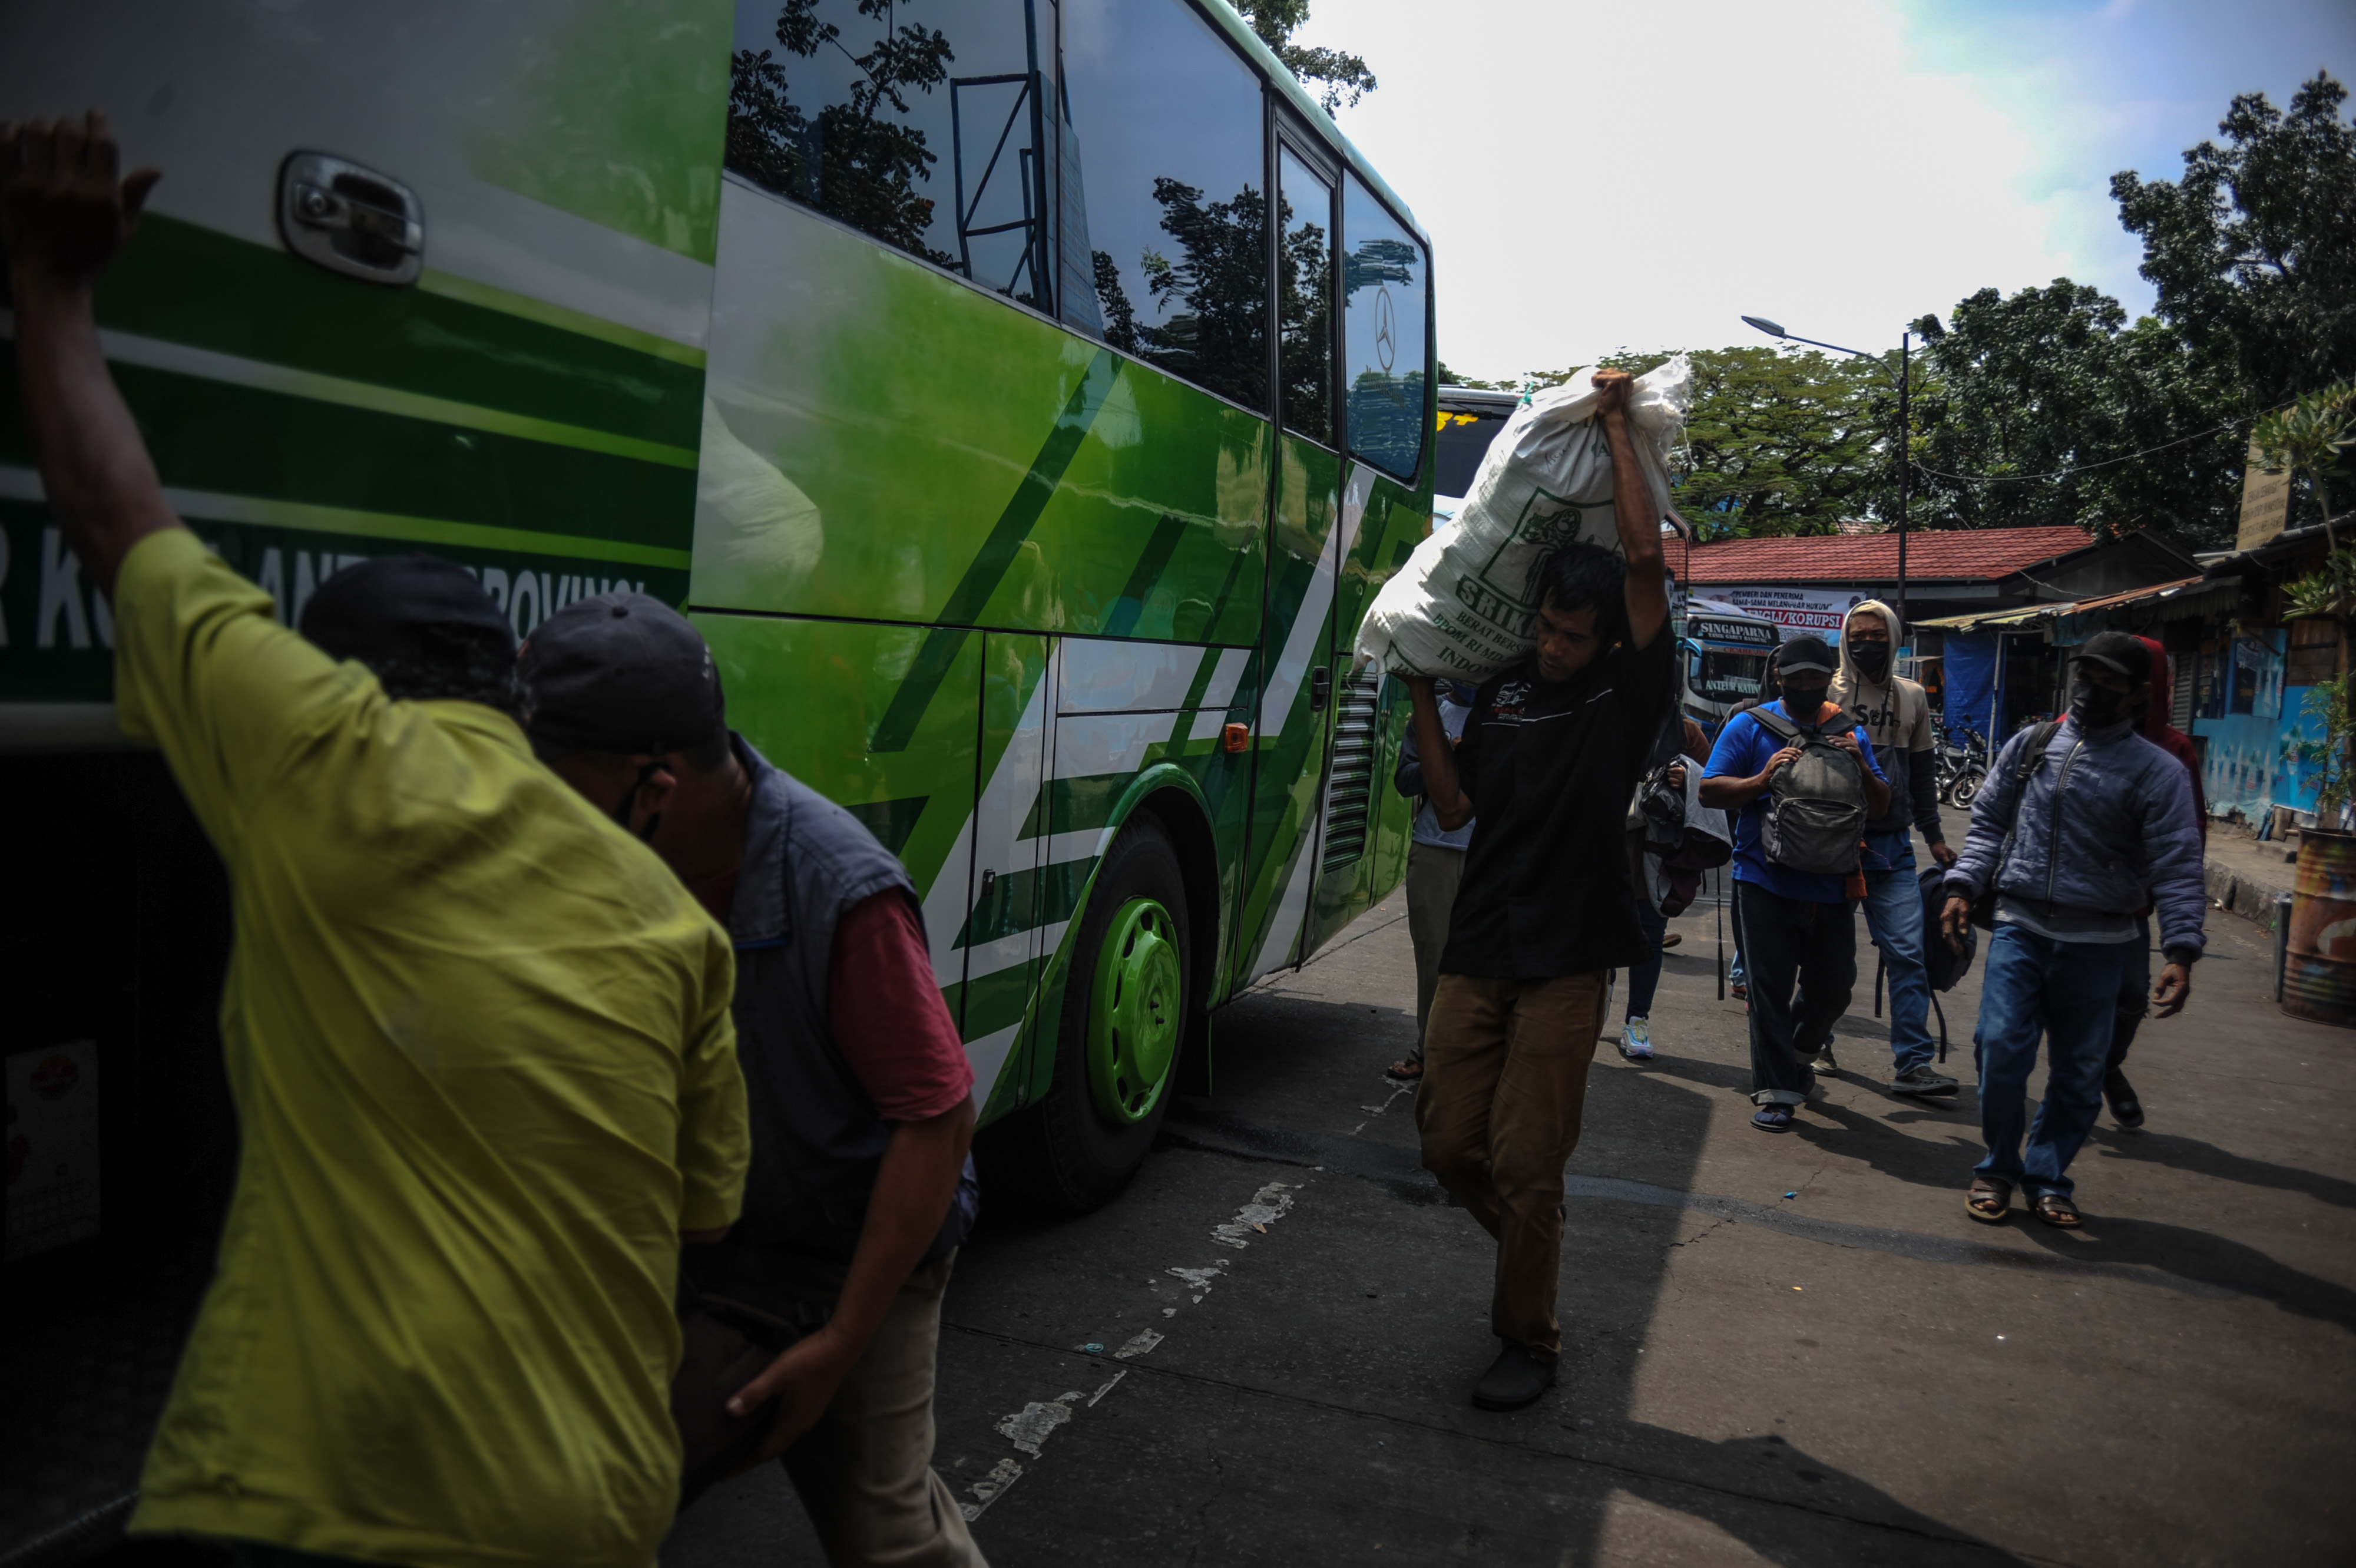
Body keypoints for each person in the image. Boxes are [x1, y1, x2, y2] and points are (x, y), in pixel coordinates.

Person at [1, 114, 752, 1567]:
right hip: (597, 1511)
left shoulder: (322, 760)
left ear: (349, 683)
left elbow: (115, 517)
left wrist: (48, 277)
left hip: (308, 1507)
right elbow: (707, 1207)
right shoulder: (676, 928)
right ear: (512, 700)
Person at [521, 596, 987, 1568]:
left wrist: (839, 1347)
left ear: (652, 786)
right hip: (729, 1246)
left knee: (886, 1532)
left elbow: (937, 1122)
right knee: (581, 1478)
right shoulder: (624, 864)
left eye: (559, 793)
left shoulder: (838, 888)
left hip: (856, 1251)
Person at [1402, 366, 1675, 1413]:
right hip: (1481, 942)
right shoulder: (1508, 688)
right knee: (1445, 1142)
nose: (1556, 648)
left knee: (1526, 1159)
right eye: (1549, 630)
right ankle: (1534, 1239)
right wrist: (1422, 686)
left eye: (1573, 636)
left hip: (1567, 955)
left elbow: (1644, 556)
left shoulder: (1626, 686)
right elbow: (1454, 803)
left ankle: (1530, 1332)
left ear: (1605, 638)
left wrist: (1613, 421)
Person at [1941, 631, 2206, 1227]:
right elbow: (1986, 823)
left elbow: (2178, 863)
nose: (2092, 689)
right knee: (1999, 1047)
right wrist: (1961, 886)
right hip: (2021, 927)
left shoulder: (2158, 772)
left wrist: (2182, 948)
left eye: (2109, 680)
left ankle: (2046, 1174)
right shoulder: (2031, 745)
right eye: (2086, 675)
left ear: (2139, 693)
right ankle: (1997, 1166)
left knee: (2080, 1071)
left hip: (2102, 943)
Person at [1700, 635, 1891, 1132]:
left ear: (1829, 677)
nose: (1807, 685)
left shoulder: (1850, 732)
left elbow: (1884, 806)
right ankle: (1777, 1091)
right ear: (1778, 677)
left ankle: (1802, 1051)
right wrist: (1762, 780)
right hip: (1763, 880)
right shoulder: (1749, 725)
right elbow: (1710, 790)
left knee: (1834, 989)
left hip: (1832, 884)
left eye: (1816, 676)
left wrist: (1859, 765)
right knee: (1768, 990)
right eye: (1797, 676)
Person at [1829, 601, 1961, 1098]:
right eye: (1858, 634)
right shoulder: (1828, 691)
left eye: (1878, 634)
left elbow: (1923, 774)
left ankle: (1914, 1063)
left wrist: (1935, 837)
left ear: (1895, 637)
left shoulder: (1910, 696)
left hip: (1892, 847)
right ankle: (1815, 1040)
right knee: (1828, 958)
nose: (1867, 642)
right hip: (1831, 847)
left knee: (1908, 954)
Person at [2105, 633, 2206, 1129]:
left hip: (2130, 909)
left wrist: (2180, 948)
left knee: (2129, 998)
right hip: (2053, 905)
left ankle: (2107, 1069)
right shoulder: (2063, 735)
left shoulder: (2173, 752)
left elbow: (2186, 849)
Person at [1388, 680, 1479, 1082]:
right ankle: (1429, 1051)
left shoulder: (1504, 713)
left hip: (1489, 854)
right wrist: (1443, 760)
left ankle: (1475, 1058)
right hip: (1435, 851)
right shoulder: (1430, 715)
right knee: (1434, 961)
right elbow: (1404, 780)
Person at [1617, 704, 1710, 1061]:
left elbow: (1712, 787)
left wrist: (1688, 781)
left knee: (1650, 934)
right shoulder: (1608, 714)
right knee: (1600, 931)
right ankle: (1593, 1009)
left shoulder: (1686, 733)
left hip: (1656, 851)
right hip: (1604, 842)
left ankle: (1637, 1020)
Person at [1720, 644, 1783, 1002]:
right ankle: (1746, 973)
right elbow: (1716, 777)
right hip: (1748, 834)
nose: (1782, 676)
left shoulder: (1825, 720)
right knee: (1749, 908)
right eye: (1777, 667)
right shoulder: (1745, 714)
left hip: (1801, 836)